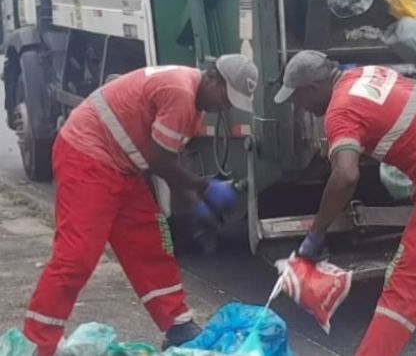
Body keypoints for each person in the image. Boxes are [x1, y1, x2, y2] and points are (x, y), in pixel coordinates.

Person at [23, 55, 259, 355]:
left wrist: (197, 209)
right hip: (87, 156)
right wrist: (204, 190)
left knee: (149, 244)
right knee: (77, 256)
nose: (225, 106)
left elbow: (169, 165)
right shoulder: (181, 93)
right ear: (213, 78)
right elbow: (161, 162)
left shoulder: (193, 101)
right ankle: (37, 341)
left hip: (123, 166)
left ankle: (178, 325)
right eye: (226, 96)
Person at [274, 50, 416, 356]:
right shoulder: (365, 74)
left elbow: (345, 176)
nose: (305, 109)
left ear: (312, 87)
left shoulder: (340, 110)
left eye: (299, 100)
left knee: (403, 287)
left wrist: (316, 234)